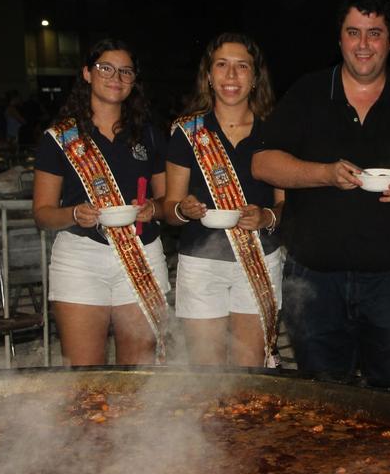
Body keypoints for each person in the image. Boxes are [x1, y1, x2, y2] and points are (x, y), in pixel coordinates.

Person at [252, 0, 390, 386]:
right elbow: (263, 163)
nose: (363, 44)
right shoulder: (308, 93)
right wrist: (324, 173)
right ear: (339, 38)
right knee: (325, 404)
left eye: (374, 33)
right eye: (354, 32)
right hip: (314, 279)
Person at [32, 38, 168, 366]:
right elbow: (42, 214)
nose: (115, 77)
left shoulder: (148, 135)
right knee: (85, 375)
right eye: (105, 68)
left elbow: (167, 201)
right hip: (80, 260)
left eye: (125, 71)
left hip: (142, 255)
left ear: (134, 81)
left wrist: (154, 208)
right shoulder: (59, 137)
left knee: (139, 376)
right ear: (87, 74)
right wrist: (73, 213)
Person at [164, 33, 285, 367]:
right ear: (208, 75)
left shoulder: (275, 131)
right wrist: (183, 209)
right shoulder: (186, 131)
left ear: (255, 77)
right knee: (207, 374)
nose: (232, 76)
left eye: (242, 66)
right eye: (222, 65)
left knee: (252, 375)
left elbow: (287, 205)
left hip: (260, 257)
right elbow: (168, 209)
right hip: (202, 263)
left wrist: (267, 218)